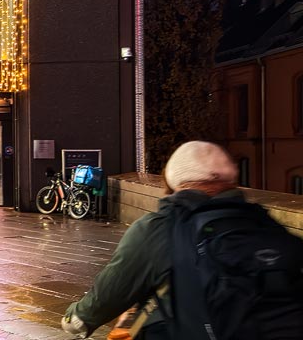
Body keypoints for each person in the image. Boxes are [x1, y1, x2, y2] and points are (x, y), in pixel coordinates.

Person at [60, 140, 298, 339]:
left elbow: (110, 292)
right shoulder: (263, 222)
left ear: (177, 181)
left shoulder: (161, 226)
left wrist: (77, 318)